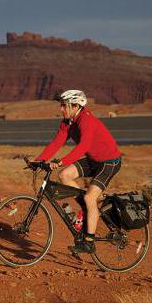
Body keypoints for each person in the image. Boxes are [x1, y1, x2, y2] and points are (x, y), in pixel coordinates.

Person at [33, 90, 122, 254]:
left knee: (89, 197)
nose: (61, 109)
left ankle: (89, 242)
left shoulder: (86, 120)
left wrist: (61, 161)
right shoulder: (67, 122)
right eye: (61, 105)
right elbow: (56, 143)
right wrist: (38, 160)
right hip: (93, 160)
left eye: (64, 106)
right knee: (64, 175)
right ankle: (87, 209)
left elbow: (83, 146)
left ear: (75, 106)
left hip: (109, 162)